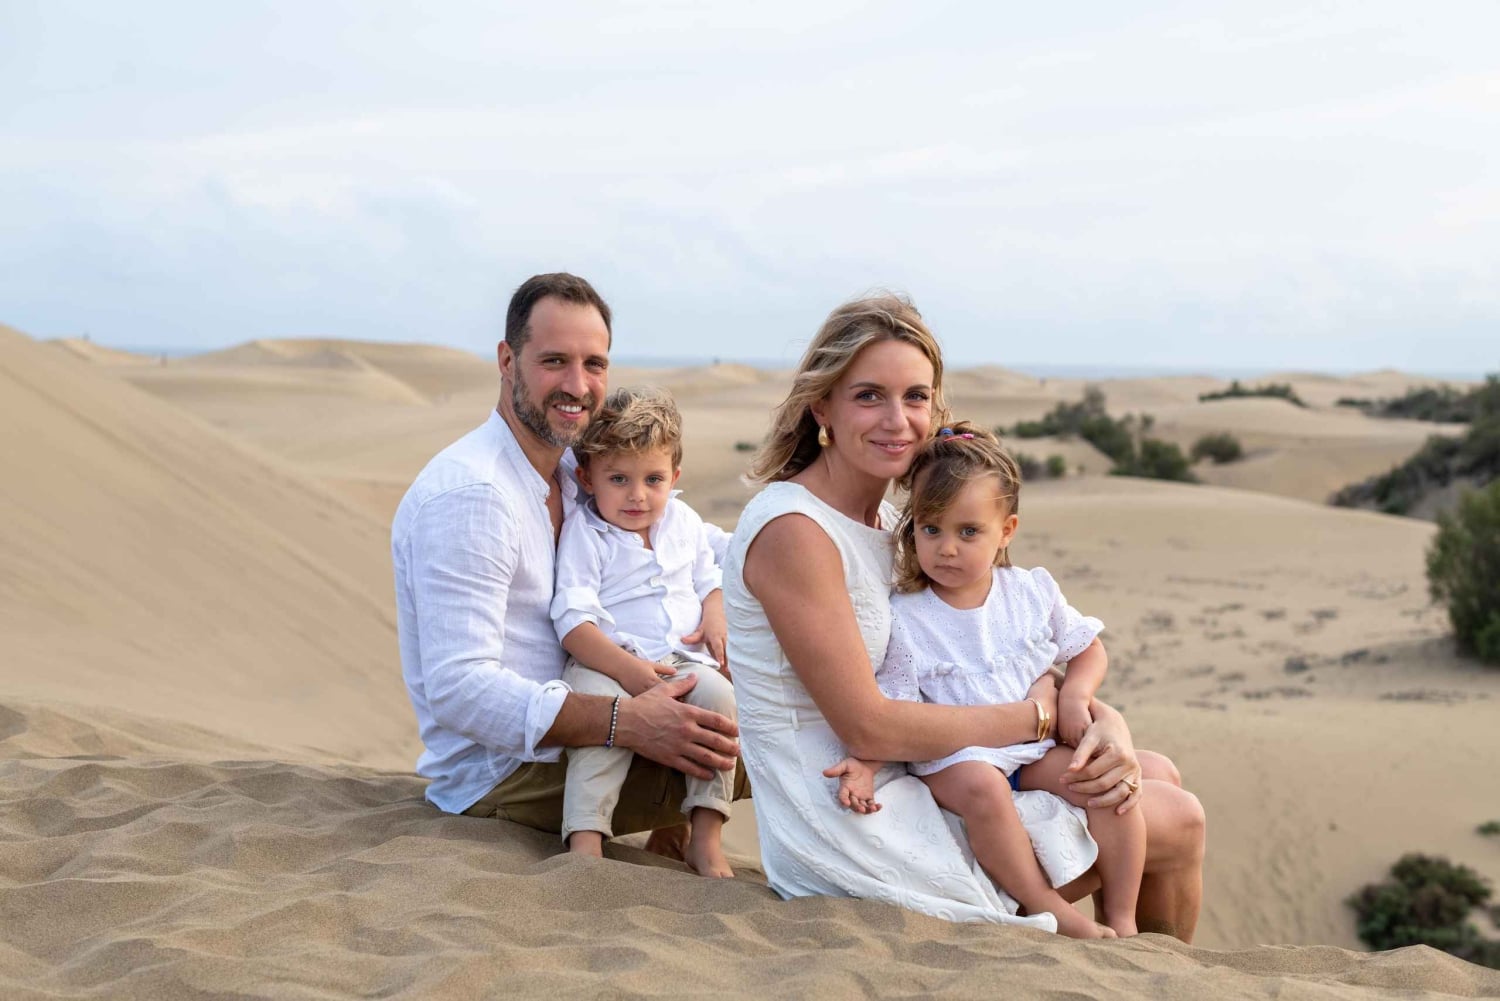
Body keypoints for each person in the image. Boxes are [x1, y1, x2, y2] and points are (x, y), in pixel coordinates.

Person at [721, 292, 1206, 939]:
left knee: (1150, 770)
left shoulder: (897, 528)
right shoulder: (794, 530)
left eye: (916, 396)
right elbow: (867, 722)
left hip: (930, 764)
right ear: (822, 406)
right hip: (854, 816)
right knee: (1177, 814)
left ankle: (1141, 970)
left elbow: (987, 648)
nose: (898, 419)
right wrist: (1040, 715)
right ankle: (1140, 964)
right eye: (870, 395)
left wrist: (1104, 724)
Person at [392, 273, 742, 852]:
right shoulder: (474, 495)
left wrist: (723, 595)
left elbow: (709, 546)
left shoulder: (577, 472)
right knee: (790, 732)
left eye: (595, 364)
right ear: (508, 360)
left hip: (593, 729)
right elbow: (458, 688)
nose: (578, 385)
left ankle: (674, 839)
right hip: (509, 776)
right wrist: (624, 722)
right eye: (555, 360)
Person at [825, 422, 1144, 938]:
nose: (947, 548)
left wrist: (1078, 695)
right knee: (981, 786)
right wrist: (865, 765)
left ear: (1007, 531)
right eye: (931, 530)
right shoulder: (907, 616)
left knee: (1109, 784)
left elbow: (1087, 649)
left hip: (1031, 750)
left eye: (968, 532)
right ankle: (1048, 906)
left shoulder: (1031, 592)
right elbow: (896, 703)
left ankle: (1124, 918)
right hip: (955, 755)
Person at [550, 387, 738, 877]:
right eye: (619, 479)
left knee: (719, 702)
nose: (638, 495)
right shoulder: (586, 534)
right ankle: (585, 839)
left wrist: (715, 615)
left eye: (653, 479)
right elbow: (573, 623)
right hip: (608, 661)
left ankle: (705, 836)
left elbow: (709, 580)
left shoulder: (684, 521)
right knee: (603, 722)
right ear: (588, 478)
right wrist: (632, 676)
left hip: (681, 660)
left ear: (674, 475)